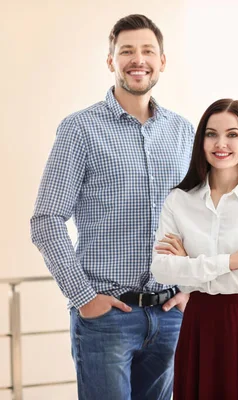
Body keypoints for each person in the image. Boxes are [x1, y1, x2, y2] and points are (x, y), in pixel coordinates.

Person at [30, 14, 194, 399]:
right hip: (107, 317)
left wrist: (190, 288)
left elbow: (198, 216)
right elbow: (46, 219)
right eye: (127, 51)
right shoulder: (80, 129)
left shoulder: (184, 131)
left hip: (171, 314)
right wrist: (84, 297)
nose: (138, 60)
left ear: (163, 61)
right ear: (111, 61)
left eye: (148, 51)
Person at [150, 98, 238, 399]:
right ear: (201, 140)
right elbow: (162, 269)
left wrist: (190, 266)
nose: (221, 143)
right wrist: (233, 260)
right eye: (211, 133)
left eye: (232, 134)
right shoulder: (179, 201)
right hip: (199, 325)